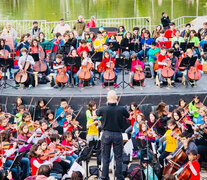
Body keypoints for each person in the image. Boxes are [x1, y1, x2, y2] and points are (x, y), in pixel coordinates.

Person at [96, 90, 129, 180]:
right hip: (117, 134)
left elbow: (97, 113)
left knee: (105, 157)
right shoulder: (121, 109)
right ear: (116, 98)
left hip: (106, 134)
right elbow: (127, 115)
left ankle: (104, 176)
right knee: (118, 157)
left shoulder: (103, 109)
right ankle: (119, 176)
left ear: (107, 98)